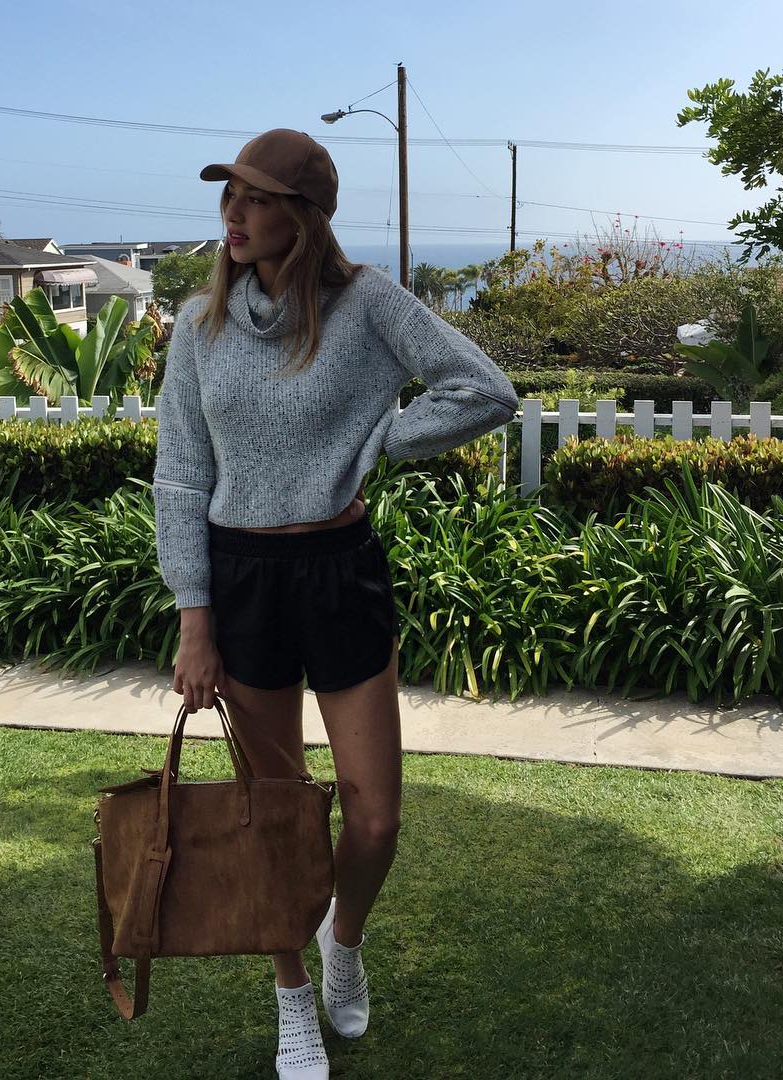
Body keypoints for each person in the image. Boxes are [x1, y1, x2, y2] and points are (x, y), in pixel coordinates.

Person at [152, 128, 519, 1079]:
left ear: (304, 216)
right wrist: (195, 617)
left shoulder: (368, 305)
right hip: (242, 579)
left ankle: (342, 941)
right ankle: (292, 1000)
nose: (234, 213)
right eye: (229, 194)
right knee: (275, 814)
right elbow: (181, 476)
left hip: (340, 570)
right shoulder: (199, 326)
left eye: (256, 197)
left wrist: (382, 439)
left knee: (374, 818)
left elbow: (485, 389)